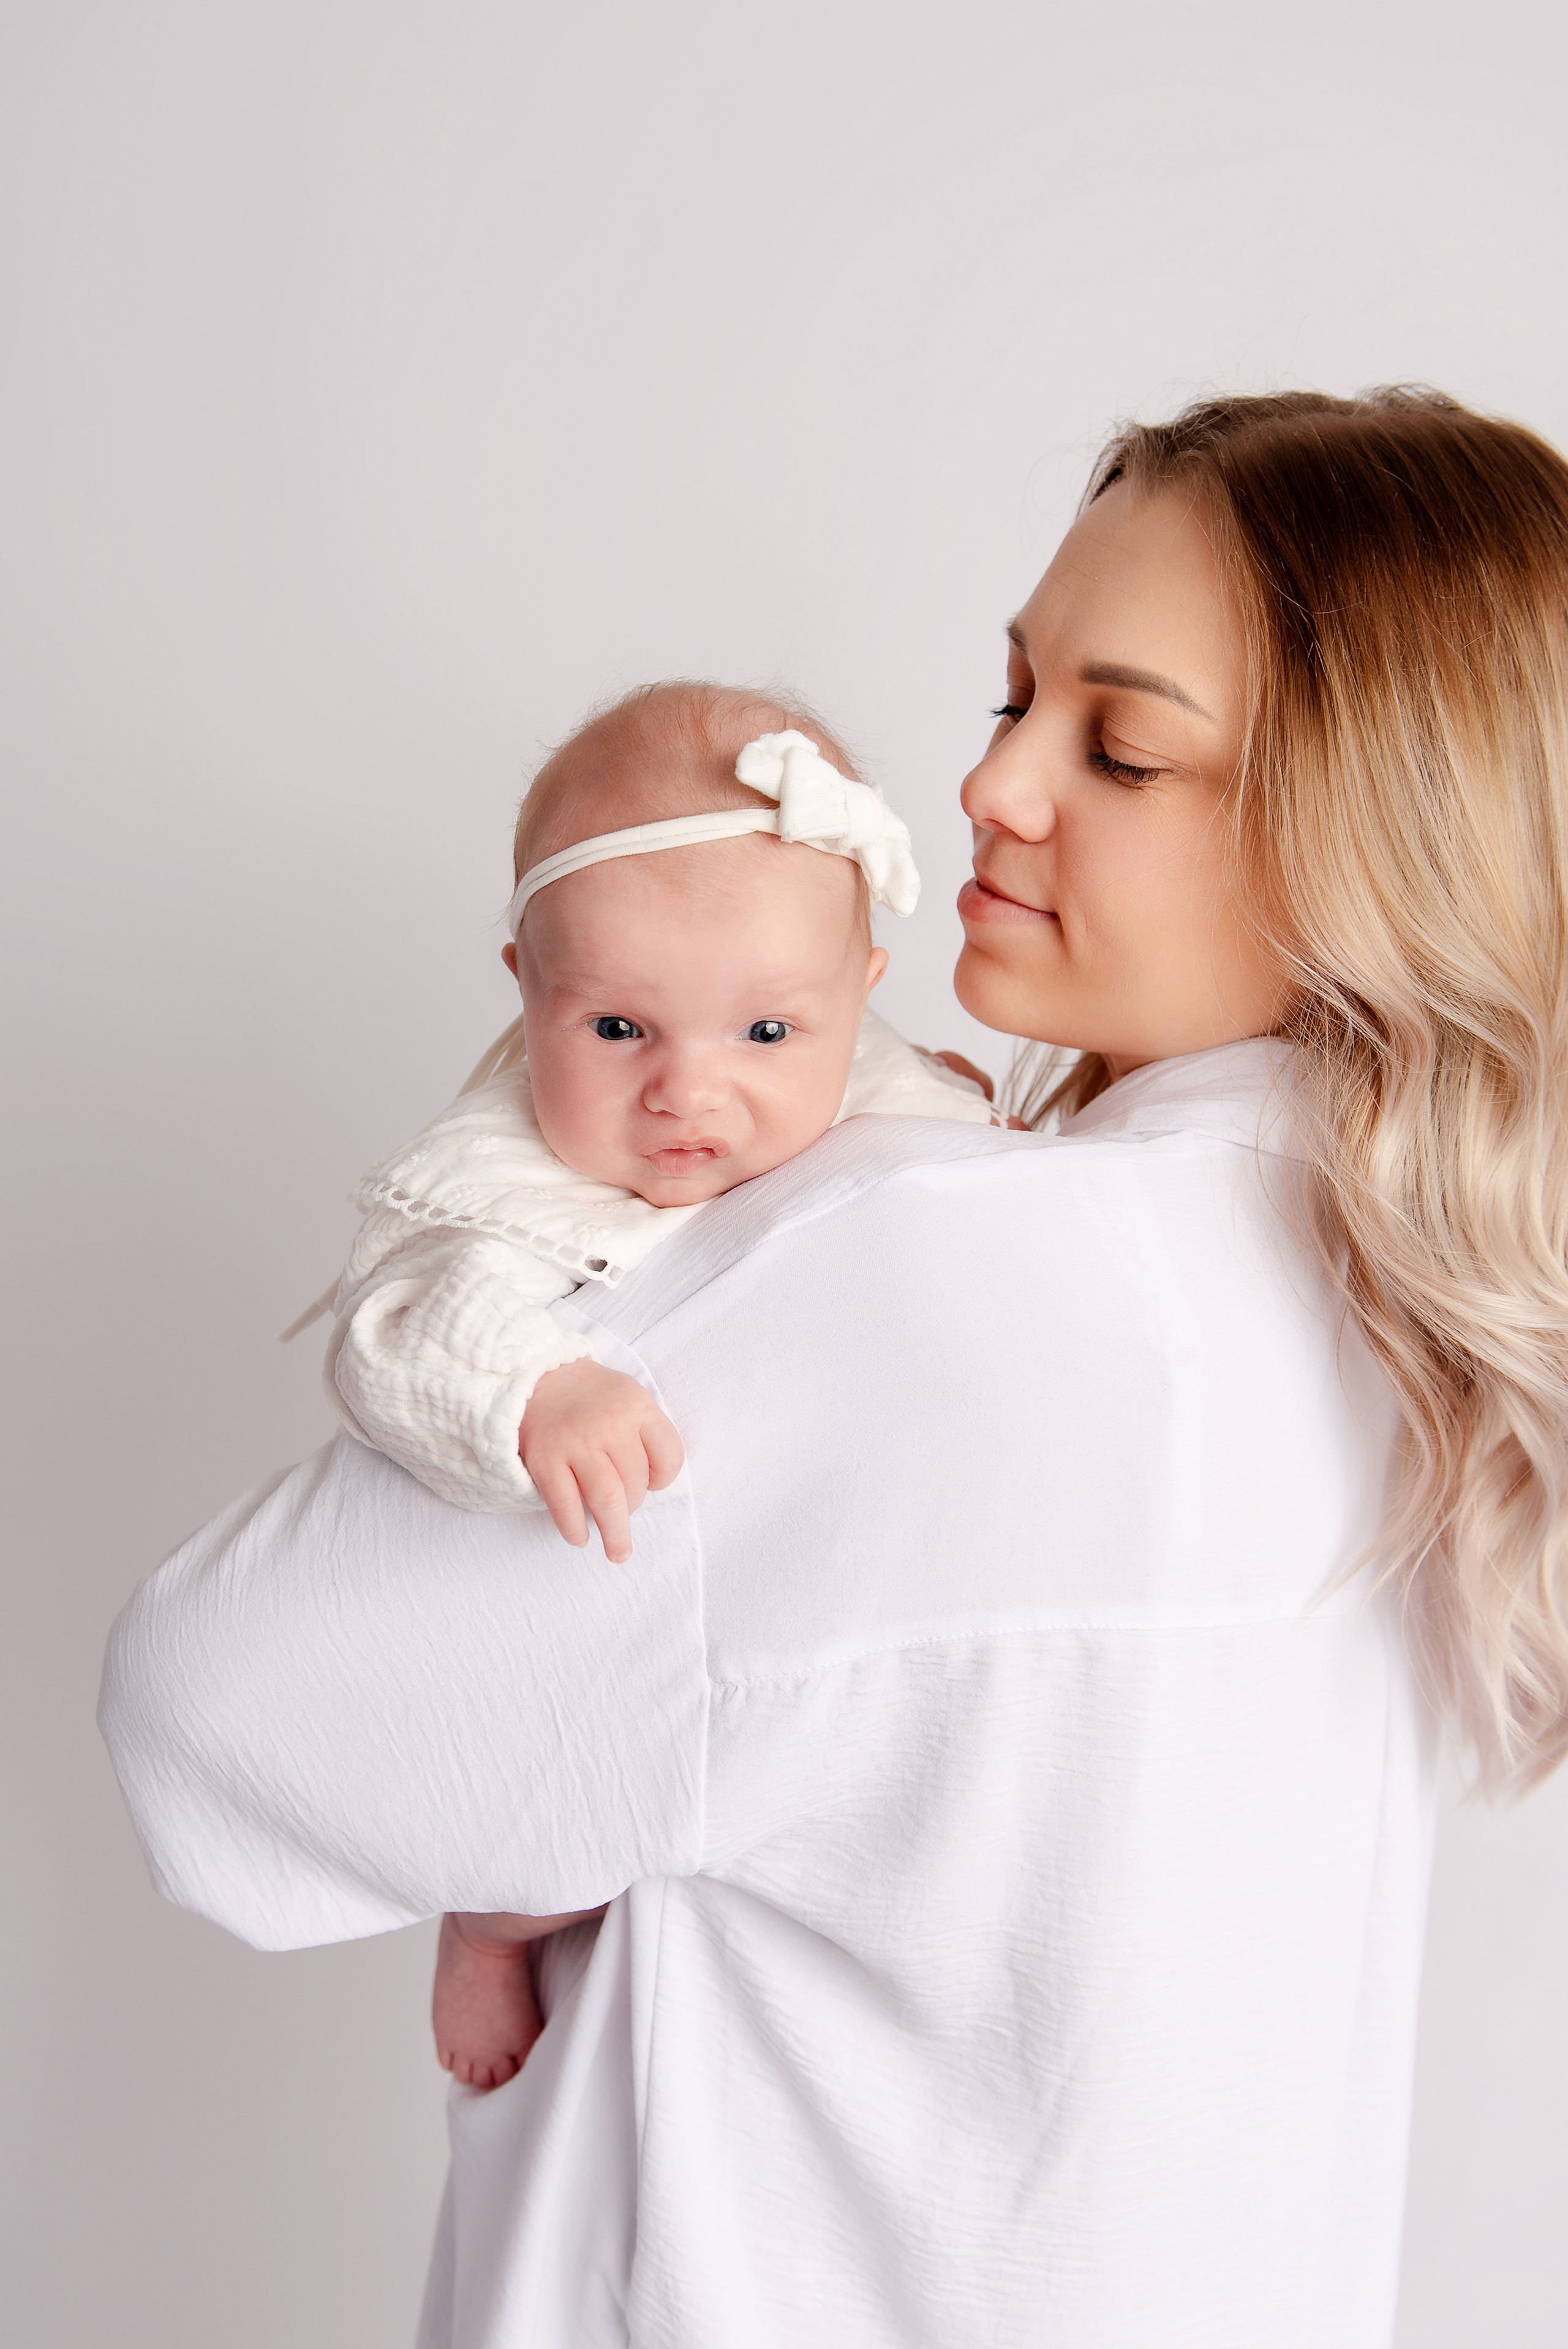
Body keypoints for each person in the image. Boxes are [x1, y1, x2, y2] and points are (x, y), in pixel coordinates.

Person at [99, 388, 1568, 2349]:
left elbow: (217, 1708)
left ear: (1378, 832)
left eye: (1122, 747)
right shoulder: (1401, 1312)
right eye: (1013, 693)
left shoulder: (946, 1270)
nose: (994, 787)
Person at [315, 680, 990, 2088]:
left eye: (767, 1036)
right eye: (618, 1030)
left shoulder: (875, 1090)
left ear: (859, 997)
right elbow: (390, 1337)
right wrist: (533, 1393)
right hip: (578, 1585)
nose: (690, 1093)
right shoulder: (504, 1181)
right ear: (526, 989)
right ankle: (488, 1930)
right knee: (554, 1819)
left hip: (786, 1592)